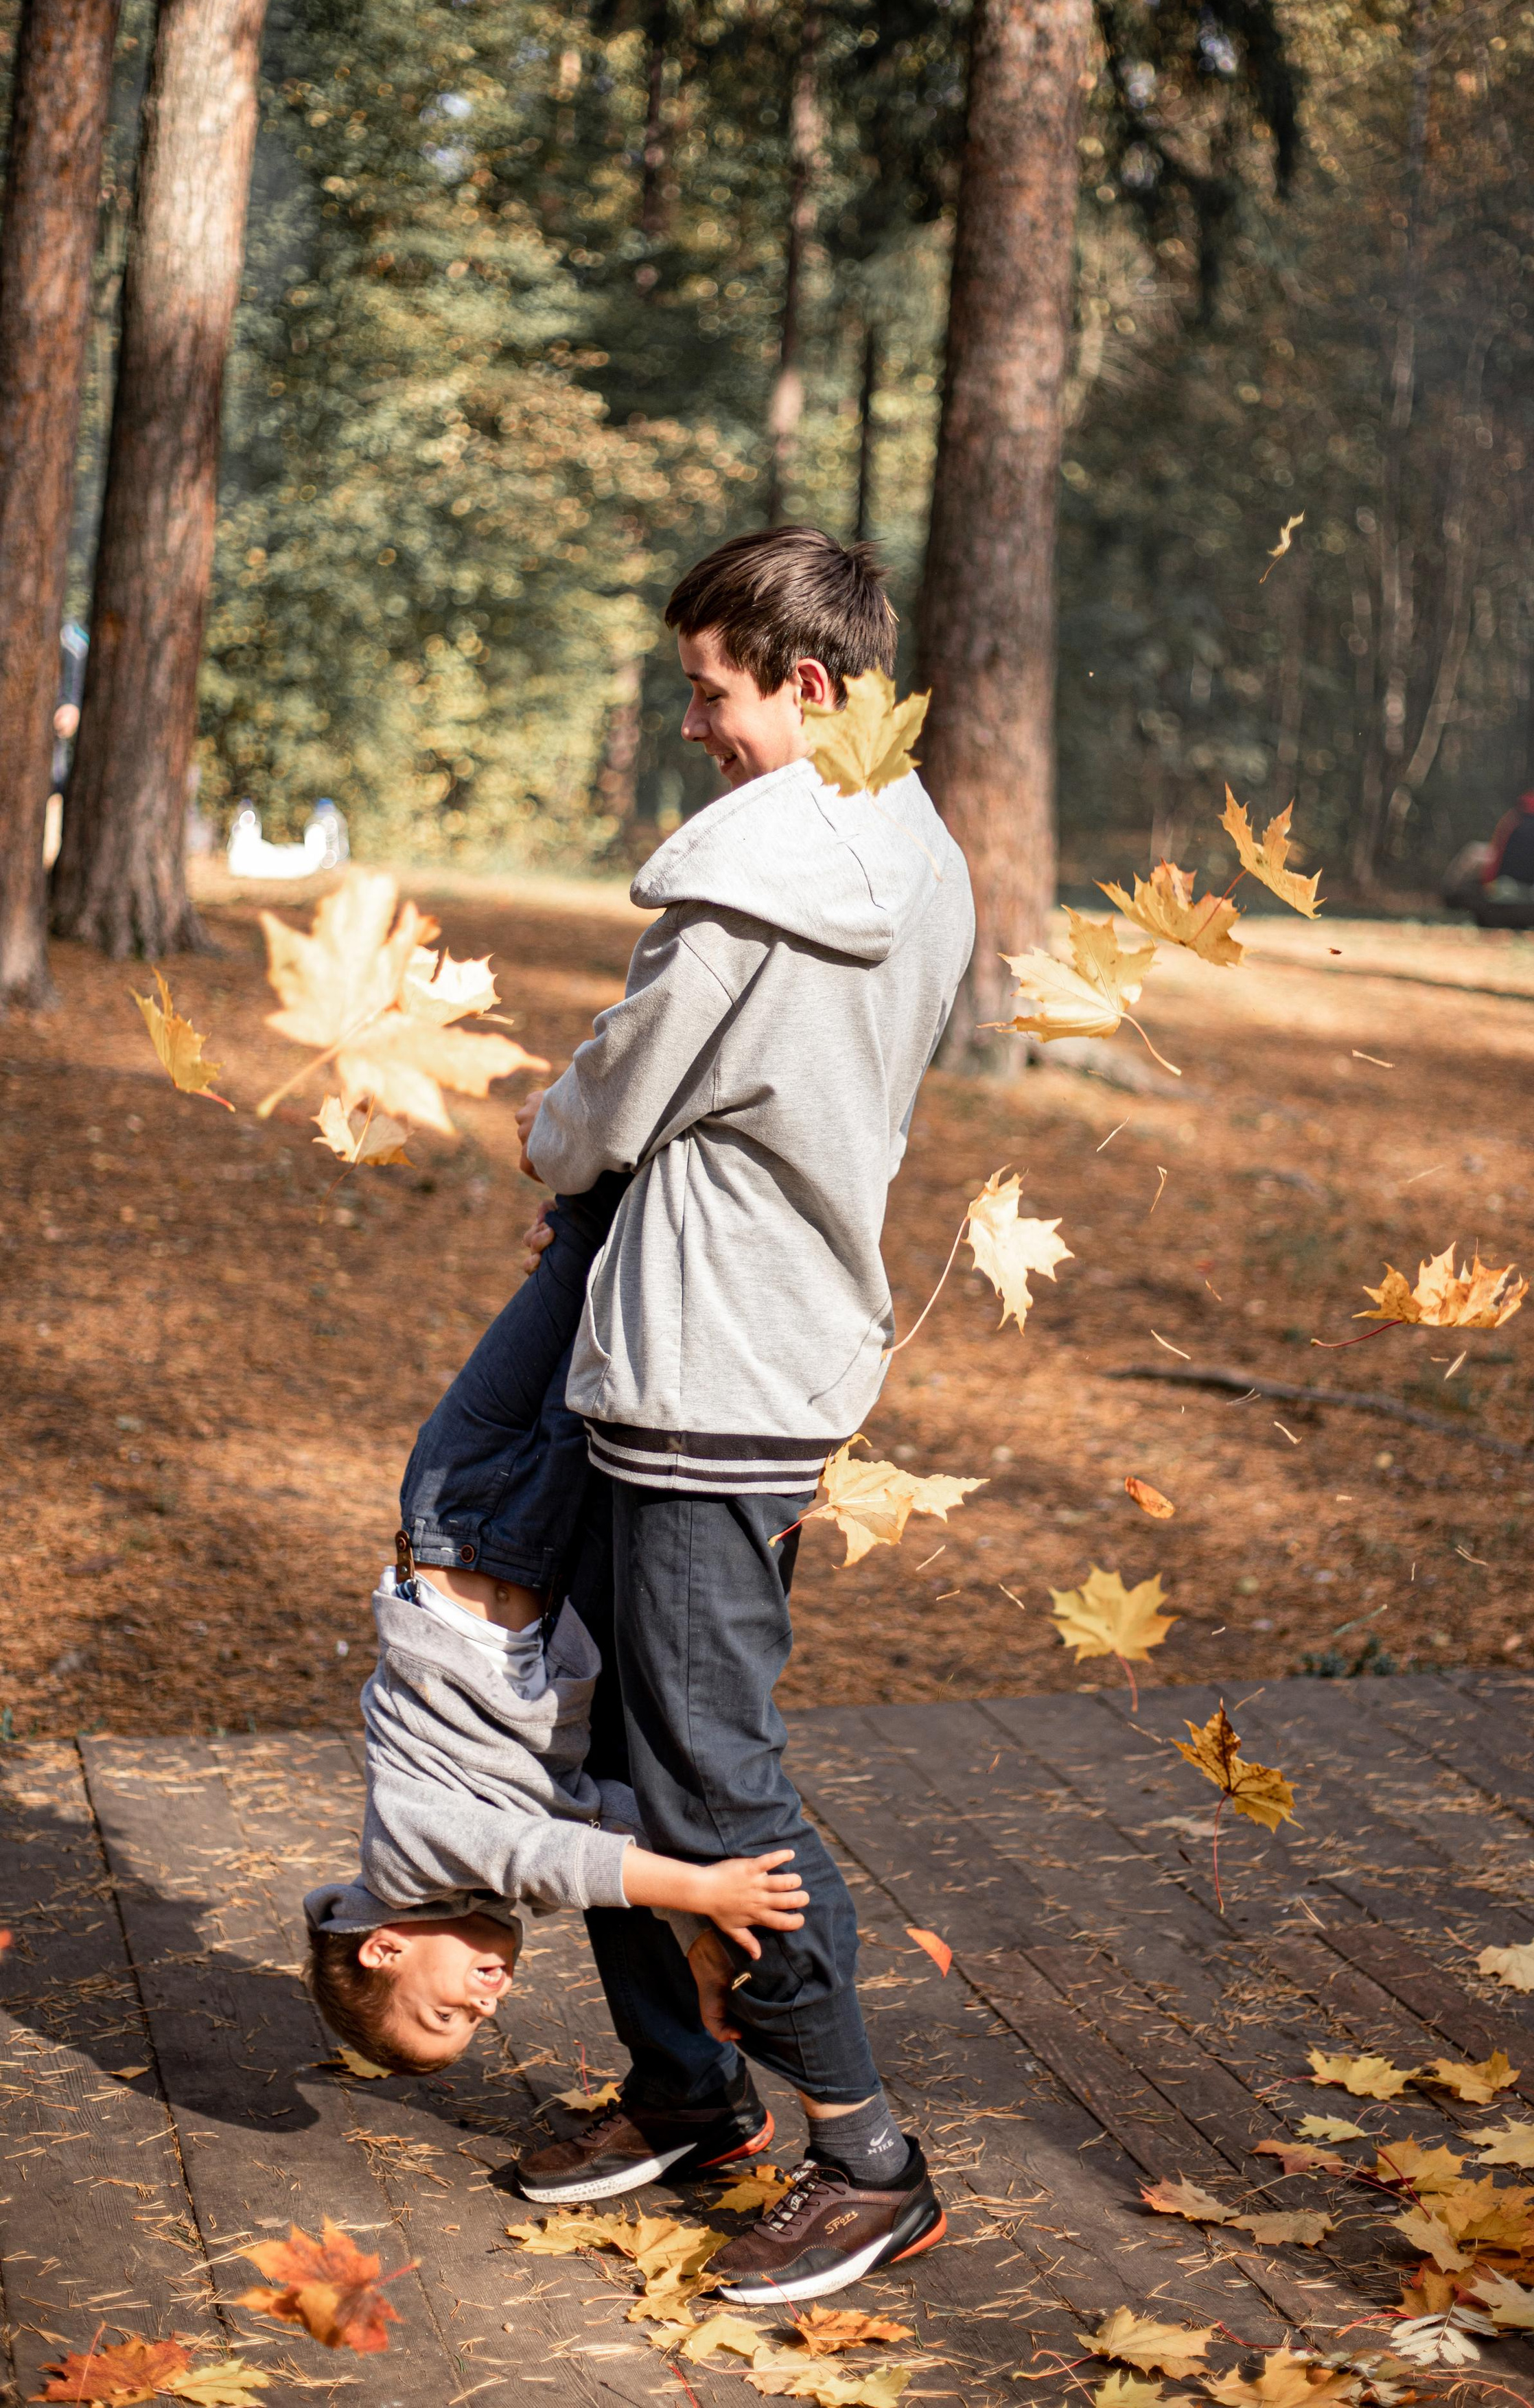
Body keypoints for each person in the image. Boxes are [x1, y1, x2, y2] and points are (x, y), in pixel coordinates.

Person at [511, 526, 974, 2306]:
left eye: (711, 690)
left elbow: (607, 1108)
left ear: (811, 684)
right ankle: (692, 2097)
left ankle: (868, 2152)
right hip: (771, 1352)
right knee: (631, 1745)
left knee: (708, 1790)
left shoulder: (750, 889)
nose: (691, 723)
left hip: (710, 1371)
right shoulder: (917, 856)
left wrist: (543, 1135)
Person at [303, 1559, 808, 2077]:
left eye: (444, 2014)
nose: (486, 2009)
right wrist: (698, 1941)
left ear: (384, 1950)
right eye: (475, 2023)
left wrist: (703, 1892)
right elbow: (612, 1817)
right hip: (530, 1582)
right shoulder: (482, 1890)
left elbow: (547, 1855)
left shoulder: (407, 1865)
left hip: (468, 1550)